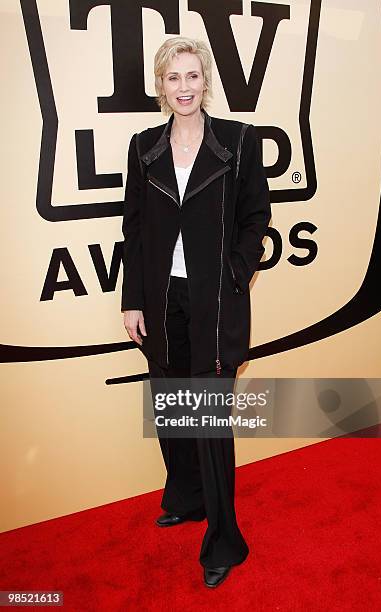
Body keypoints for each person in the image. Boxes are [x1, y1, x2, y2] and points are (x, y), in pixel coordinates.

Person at [121, 36, 271, 588]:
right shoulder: (143, 149)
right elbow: (133, 230)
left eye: (191, 77)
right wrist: (132, 299)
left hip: (214, 298)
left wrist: (235, 271)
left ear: (205, 80)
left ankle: (224, 542)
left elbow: (258, 214)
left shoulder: (237, 142)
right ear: (158, 86)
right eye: (172, 78)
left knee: (208, 420)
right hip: (162, 301)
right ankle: (187, 499)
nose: (183, 88)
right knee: (172, 408)